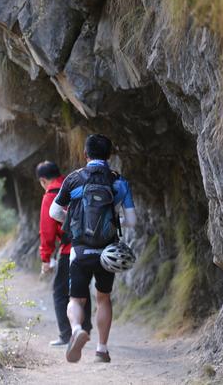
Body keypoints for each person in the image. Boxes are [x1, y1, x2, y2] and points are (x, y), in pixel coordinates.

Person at [50, 134, 136, 363]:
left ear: (85, 154)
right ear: (109, 155)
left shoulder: (73, 179)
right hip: (107, 253)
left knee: (76, 300)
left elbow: (54, 213)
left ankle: (77, 329)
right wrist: (114, 218)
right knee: (103, 298)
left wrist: (73, 217)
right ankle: (102, 349)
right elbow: (132, 220)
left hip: (79, 250)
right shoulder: (119, 182)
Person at [36, 161, 92, 347]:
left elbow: (47, 230)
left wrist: (46, 258)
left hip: (70, 250)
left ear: (43, 180)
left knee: (60, 292)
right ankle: (86, 328)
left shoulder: (51, 195)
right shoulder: (73, 185)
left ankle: (67, 334)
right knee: (81, 287)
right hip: (90, 244)